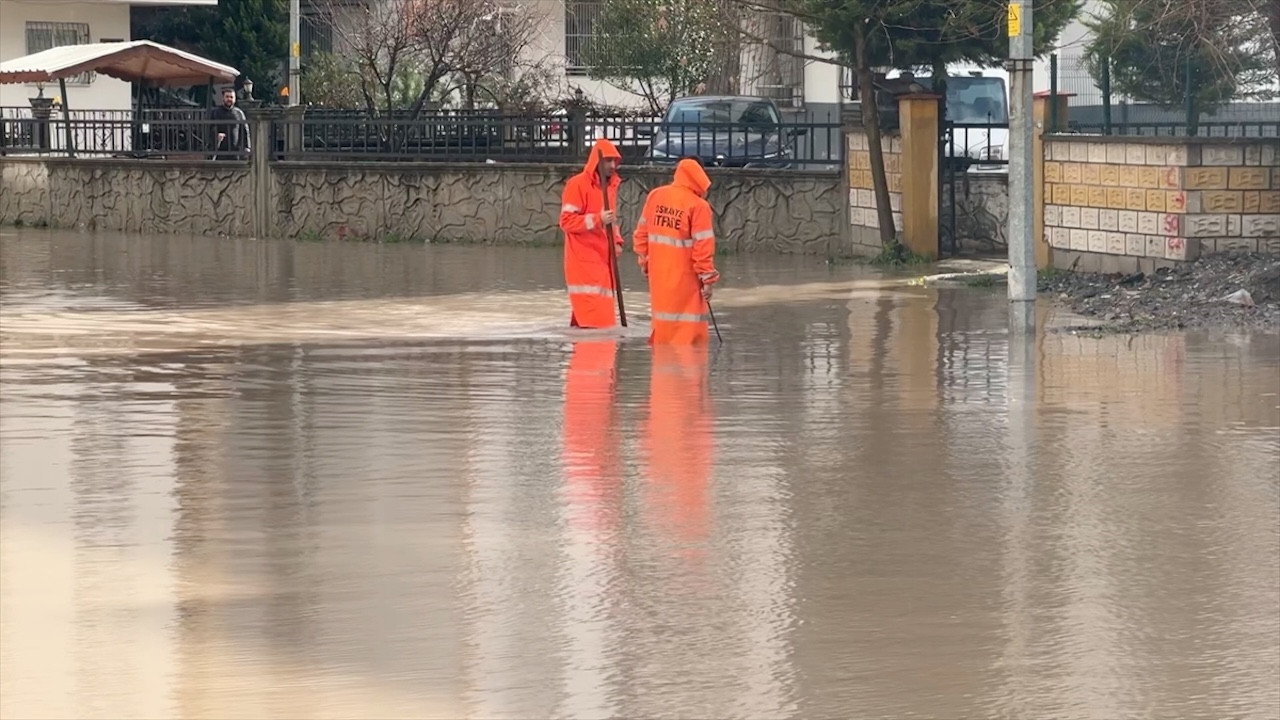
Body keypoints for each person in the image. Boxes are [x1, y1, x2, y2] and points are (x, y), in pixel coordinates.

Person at [632, 157, 721, 345]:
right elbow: (703, 247)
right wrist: (707, 280)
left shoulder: (655, 196)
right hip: (686, 281)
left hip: (658, 277)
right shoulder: (698, 206)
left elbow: (641, 235)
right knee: (690, 338)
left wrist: (645, 263)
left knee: (663, 332)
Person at [559, 138, 625, 329]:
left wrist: (617, 241)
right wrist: (597, 219)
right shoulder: (577, 185)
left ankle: (582, 340)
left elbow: (611, 220)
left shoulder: (610, 187)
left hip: (603, 259)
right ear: (597, 161)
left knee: (592, 319)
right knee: (598, 321)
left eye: (615, 161)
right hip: (583, 261)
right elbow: (566, 221)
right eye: (608, 161)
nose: (612, 166)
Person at [210, 87, 250, 158]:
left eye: (231, 97)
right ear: (223, 98)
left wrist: (247, 147)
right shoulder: (216, 112)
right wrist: (216, 135)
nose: (229, 99)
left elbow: (245, 130)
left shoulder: (239, 113)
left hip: (236, 151)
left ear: (235, 99)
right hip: (220, 150)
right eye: (227, 97)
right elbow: (210, 127)